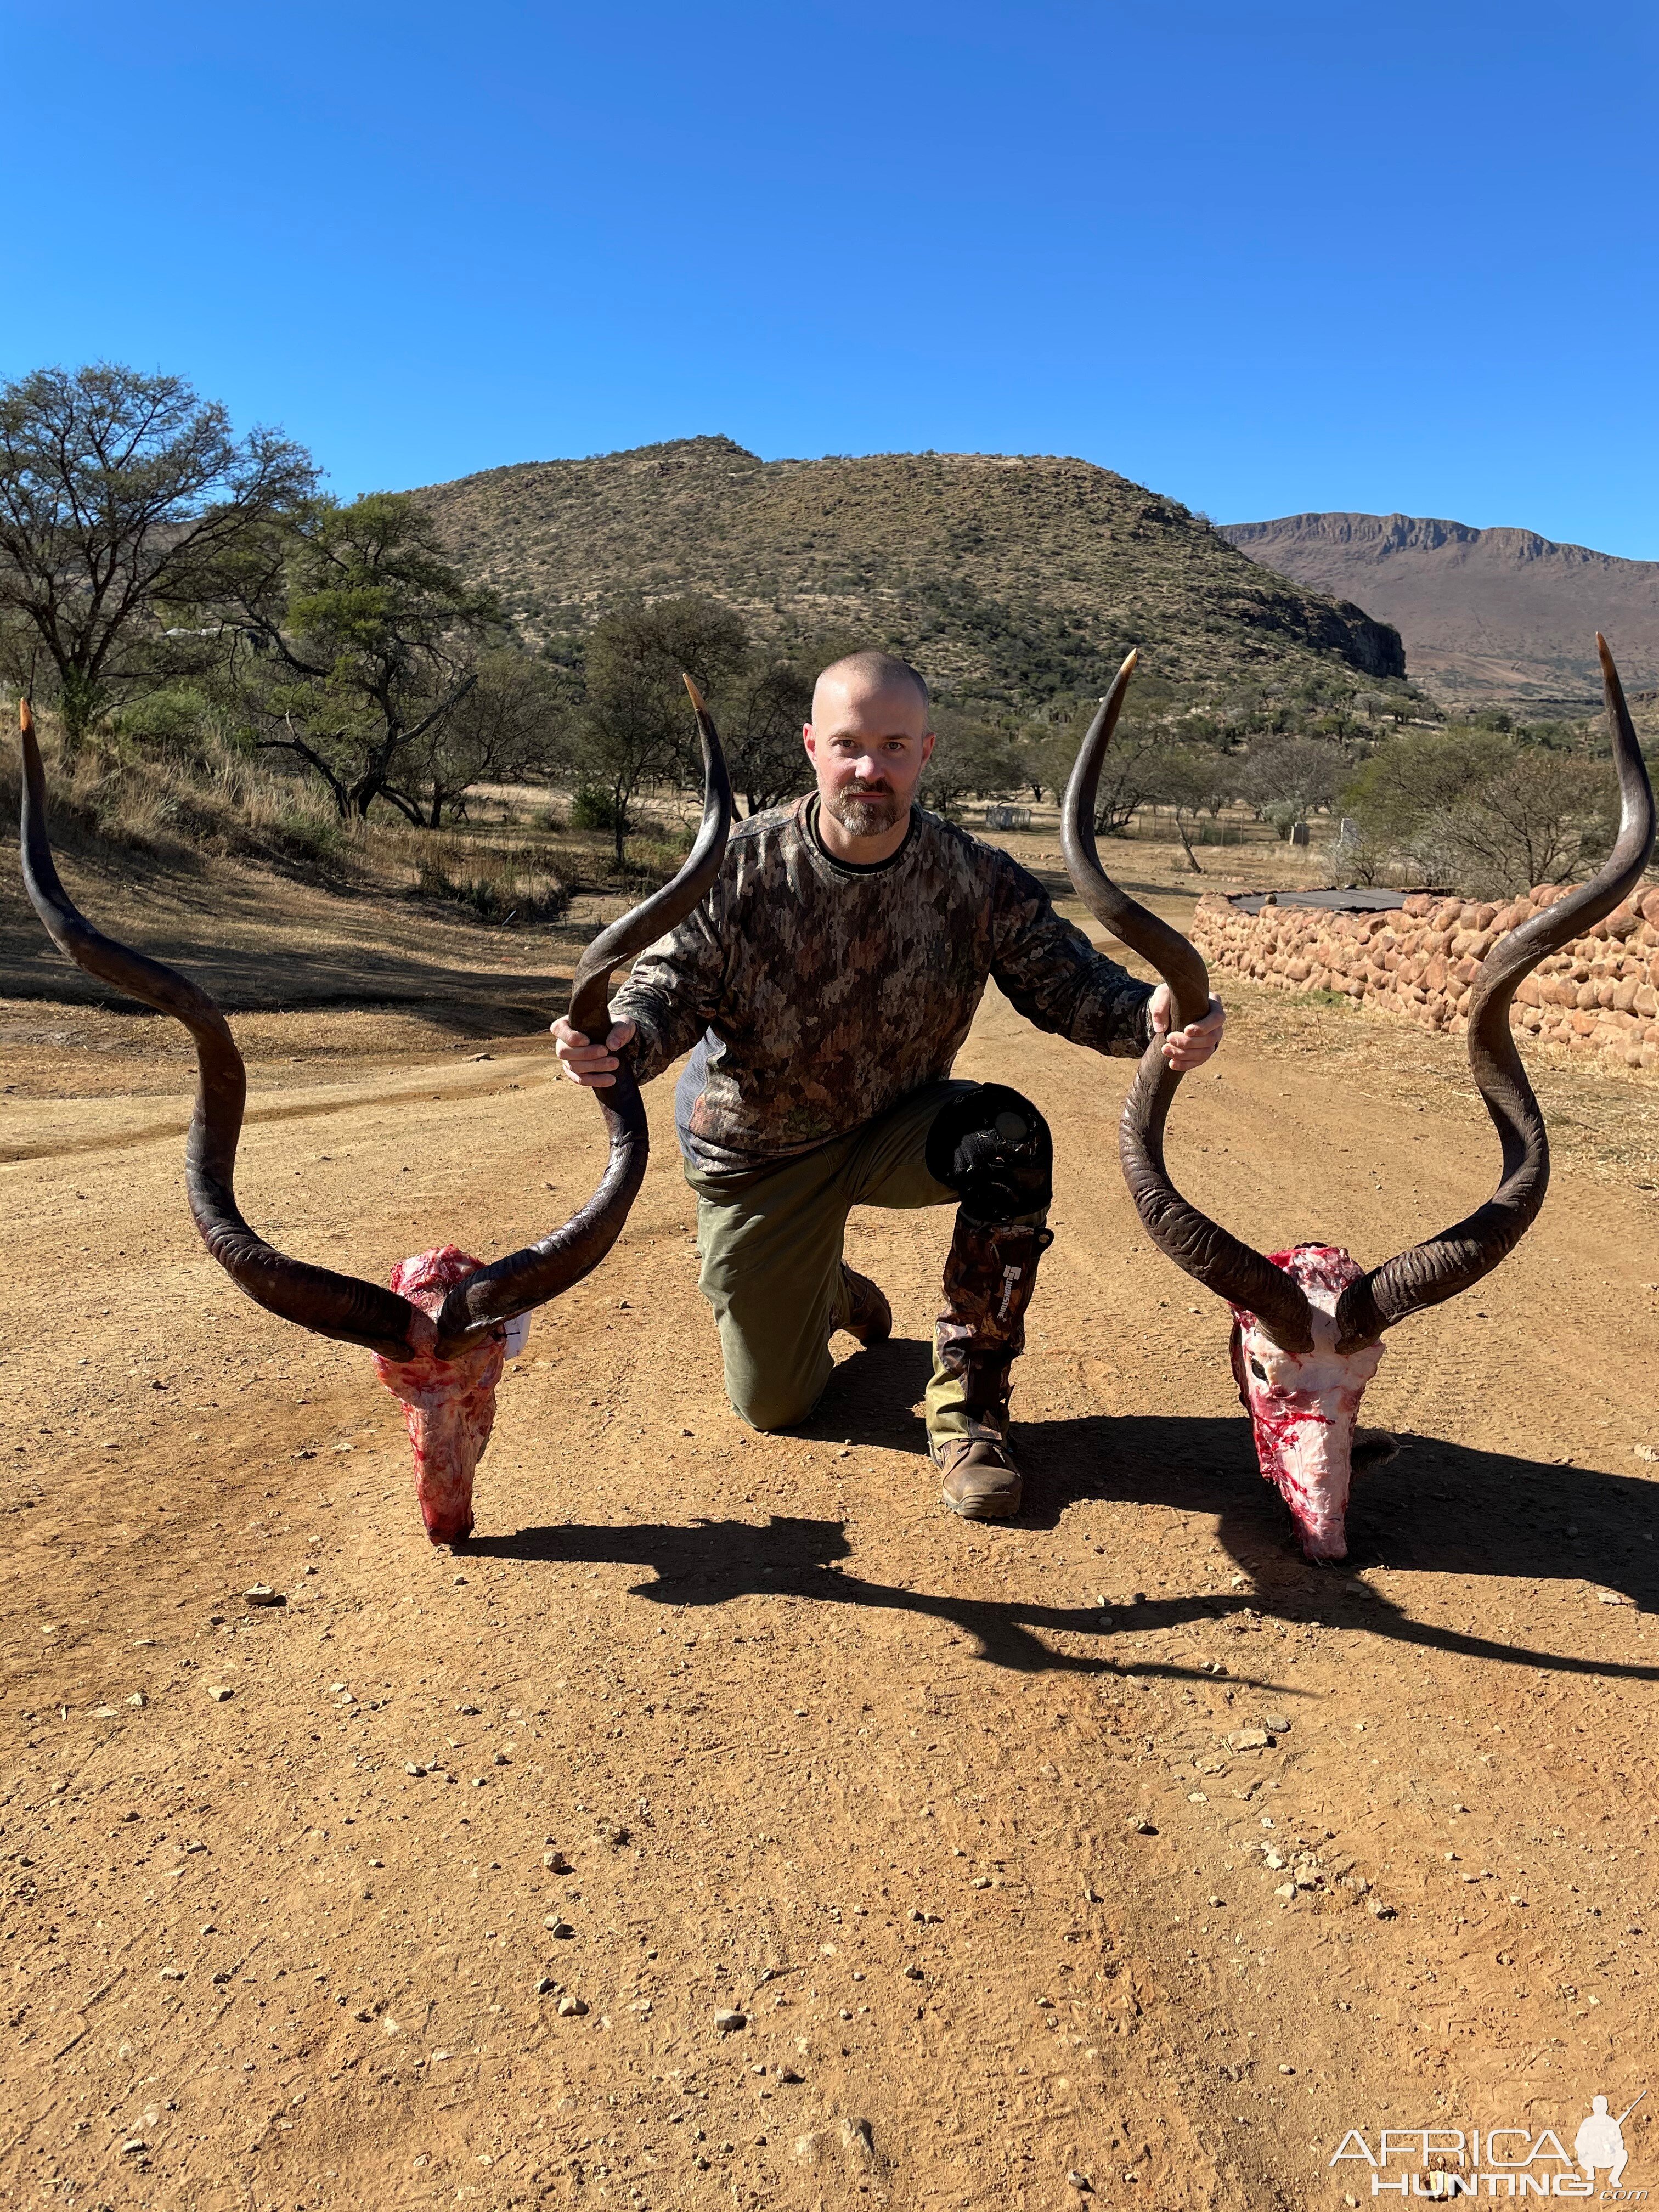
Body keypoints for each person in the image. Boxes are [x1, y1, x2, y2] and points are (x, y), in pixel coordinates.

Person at [553, 649, 1224, 1519]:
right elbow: (664, 992)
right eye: (849, 745)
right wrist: (620, 1041)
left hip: (897, 1130)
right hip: (758, 1155)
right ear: (810, 748)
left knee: (1011, 1136)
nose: (871, 769)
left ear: (926, 752)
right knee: (776, 1407)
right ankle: (830, 1291)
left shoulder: (975, 877)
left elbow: (1076, 991)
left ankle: (971, 1408)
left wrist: (1159, 1015)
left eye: (895, 747)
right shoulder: (738, 870)